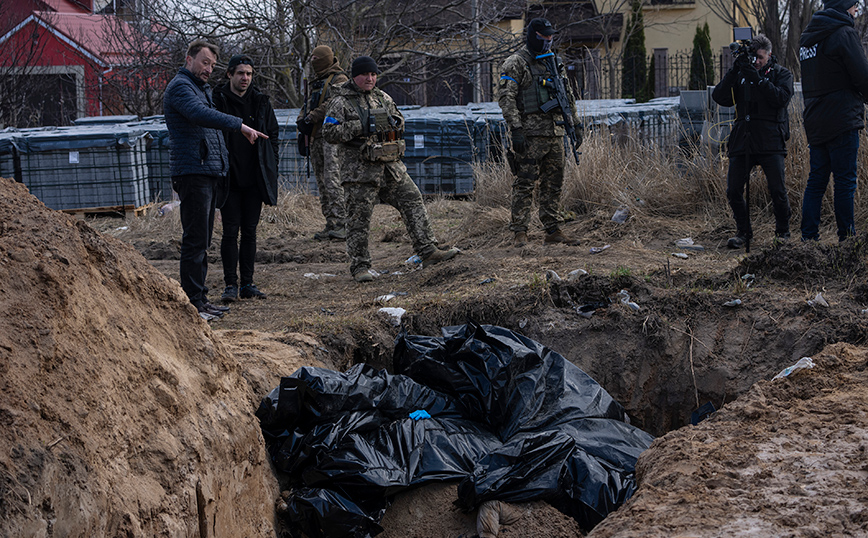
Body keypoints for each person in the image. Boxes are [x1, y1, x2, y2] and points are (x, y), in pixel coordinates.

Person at [320, 56, 459, 282]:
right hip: (359, 172)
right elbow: (329, 133)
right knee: (359, 219)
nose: (370, 78)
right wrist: (361, 126)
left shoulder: (382, 97)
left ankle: (428, 250)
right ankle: (360, 267)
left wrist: (393, 123)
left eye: (373, 74)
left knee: (412, 199)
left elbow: (399, 120)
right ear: (355, 75)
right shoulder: (340, 102)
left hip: (390, 167)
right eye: (365, 74)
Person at [163, 39, 268, 320]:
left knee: (203, 240)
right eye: (204, 62)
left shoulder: (200, 88)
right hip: (193, 173)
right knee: (195, 240)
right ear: (189, 59)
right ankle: (193, 303)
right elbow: (200, 115)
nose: (208, 69)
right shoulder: (181, 87)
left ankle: (200, 299)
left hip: (207, 172)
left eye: (212, 64)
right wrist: (239, 124)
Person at [497, 17, 582, 248]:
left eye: (550, 38)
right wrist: (515, 129)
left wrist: (575, 124)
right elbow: (506, 99)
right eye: (543, 38)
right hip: (530, 135)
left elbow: (567, 95)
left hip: (555, 133)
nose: (547, 42)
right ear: (533, 36)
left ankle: (552, 230)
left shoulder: (554, 62)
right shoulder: (516, 62)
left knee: (554, 183)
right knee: (525, 183)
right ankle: (520, 232)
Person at [711, 34, 794, 249]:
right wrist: (735, 70)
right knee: (733, 189)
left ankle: (782, 232)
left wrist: (757, 79)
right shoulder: (742, 74)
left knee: (777, 189)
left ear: (769, 55)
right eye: (753, 57)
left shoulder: (781, 74)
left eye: (760, 58)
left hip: (770, 138)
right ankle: (743, 232)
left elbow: (781, 98)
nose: (756, 62)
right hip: (743, 138)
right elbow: (720, 97)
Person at [799, 0, 868, 242]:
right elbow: (862, 75)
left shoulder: (808, 38)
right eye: (854, 7)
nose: (855, 12)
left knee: (816, 181)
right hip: (842, 118)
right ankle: (847, 240)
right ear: (844, 7)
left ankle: (808, 239)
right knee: (845, 182)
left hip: (816, 120)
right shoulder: (844, 33)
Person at [213, 54, 280, 303]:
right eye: (240, 73)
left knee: (250, 231)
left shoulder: (261, 102)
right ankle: (230, 284)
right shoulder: (217, 100)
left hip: (255, 176)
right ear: (229, 74)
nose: (245, 78)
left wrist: (271, 165)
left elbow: (272, 134)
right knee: (230, 231)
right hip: (228, 176)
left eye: (249, 74)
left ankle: (248, 284)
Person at [297, 46, 349, 241]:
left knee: (333, 180)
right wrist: (302, 120)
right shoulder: (316, 81)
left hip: (331, 138)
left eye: (317, 59)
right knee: (322, 181)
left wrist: (311, 117)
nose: (313, 61)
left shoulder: (339, 79)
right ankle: (330, 222)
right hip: (315, 138)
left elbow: (334, 103)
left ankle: (342, 224)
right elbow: (308, 105)